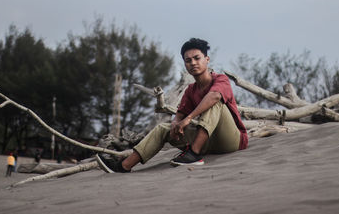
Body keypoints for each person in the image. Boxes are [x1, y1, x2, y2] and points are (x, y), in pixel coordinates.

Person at [97, 38, 248, 173]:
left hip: (232, 141)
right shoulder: (190, 90)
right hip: (208, 142)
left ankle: (194, 154)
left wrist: (189, 118)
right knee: (164, 128)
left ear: (207, 59)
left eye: (197, 58)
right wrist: (176, 123)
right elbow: (180, 114)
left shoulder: (221, 80)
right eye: (188, 60)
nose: (193, 63)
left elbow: (214, 96)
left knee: (216, 104)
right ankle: (123, 166)